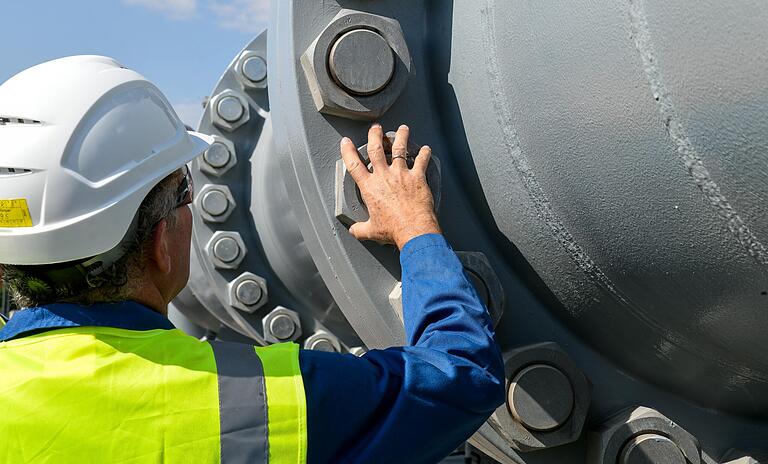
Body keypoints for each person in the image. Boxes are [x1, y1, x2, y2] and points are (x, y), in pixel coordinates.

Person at [0, 56, 504, 463]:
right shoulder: (261, 401)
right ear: (159, 241)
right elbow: (462, 377)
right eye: (185, 193)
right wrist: (416, 228)